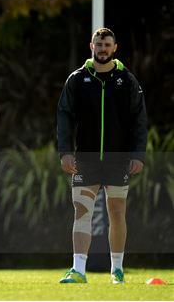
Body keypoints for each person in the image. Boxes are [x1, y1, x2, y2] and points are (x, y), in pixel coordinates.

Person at [57, 28, 147, 284]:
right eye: (99, 44)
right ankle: (79, 270)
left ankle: (116, 269)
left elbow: (139, 121)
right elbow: (63, 117)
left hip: (118, 160)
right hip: (85, 160)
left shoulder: (127, 80)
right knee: (81, 211)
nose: (103, 48)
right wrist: (65, 152)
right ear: (91, 46)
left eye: (107, 44)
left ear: (115, 47)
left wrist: (138, 155)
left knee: (117, 213)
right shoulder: (76, 79)